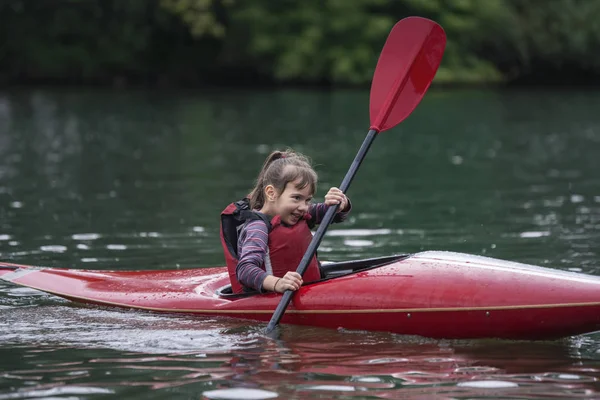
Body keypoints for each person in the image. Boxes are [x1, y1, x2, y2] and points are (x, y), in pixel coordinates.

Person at [220, 149, 350, 294]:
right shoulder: (258, 227)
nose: (303, 207)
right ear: (271, 193)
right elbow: (245, 270)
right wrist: (278, 283)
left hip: (310, 290)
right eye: (296, 198)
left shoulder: (298, 213)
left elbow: (329, 213)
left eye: (307, 200)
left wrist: (339, 204)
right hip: (273, 297)